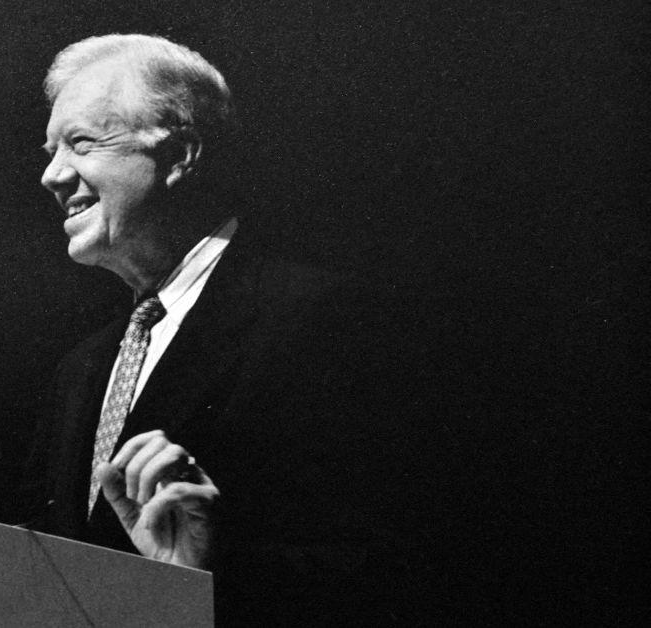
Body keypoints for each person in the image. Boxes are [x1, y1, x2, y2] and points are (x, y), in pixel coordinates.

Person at [23, 33, 451, 624]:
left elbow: (400, 558)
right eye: (50, 151)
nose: (51, 175)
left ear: (181, 156)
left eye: (81, 143)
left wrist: (215, 573)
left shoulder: (325, 320)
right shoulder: (83, 367)